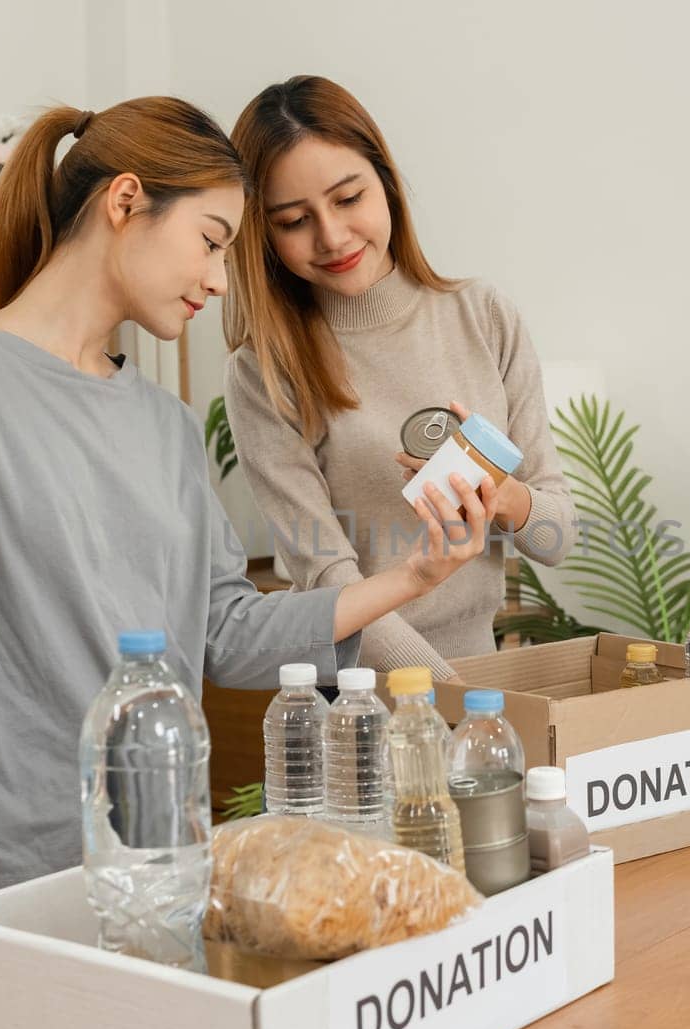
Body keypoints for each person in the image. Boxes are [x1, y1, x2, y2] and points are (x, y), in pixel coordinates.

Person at [0, 97, 495, 1013]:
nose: (223, 278)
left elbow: (227, 631)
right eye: (215, 239)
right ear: (127, 201)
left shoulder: (168, 427)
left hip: (159, 889)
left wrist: (410, 577)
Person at [223, 76, 576, 681]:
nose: (332, 237)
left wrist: (499, 496)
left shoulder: (484, 315)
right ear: (263, 232)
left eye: (347, 198)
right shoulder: (264, 373)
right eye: (292, 219)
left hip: (481, 685)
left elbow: (558, 537)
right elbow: (329, 581)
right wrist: (449, 706)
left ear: (384, 182)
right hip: (365, 702)